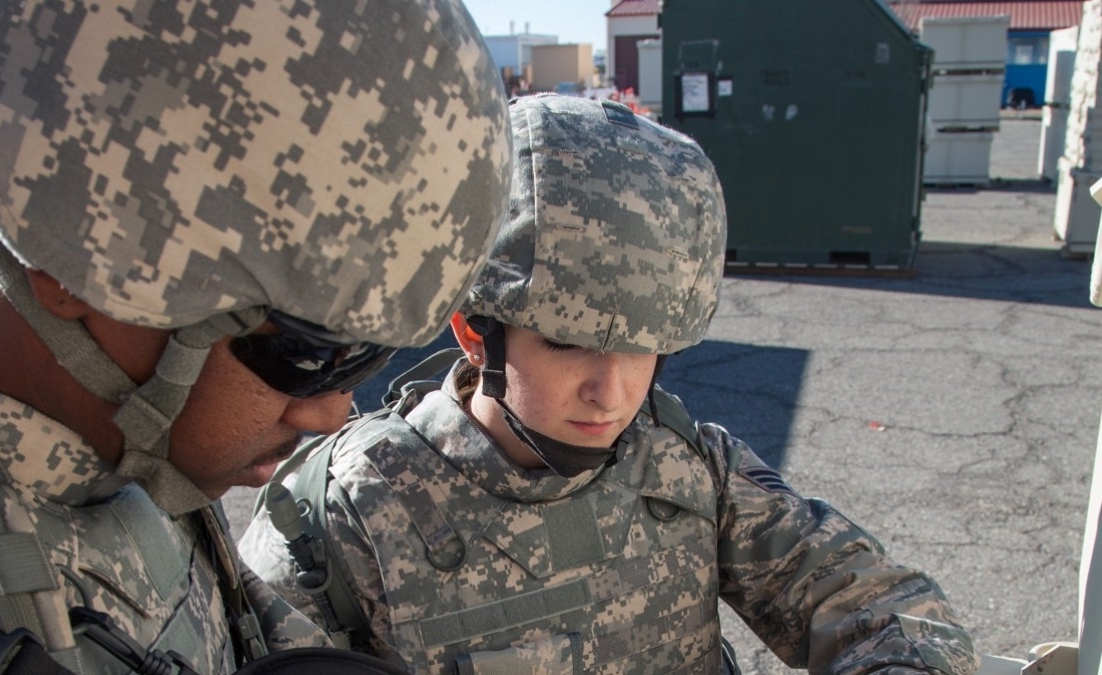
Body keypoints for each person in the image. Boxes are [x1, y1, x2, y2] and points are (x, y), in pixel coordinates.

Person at [239, 94, 979, 675]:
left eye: (644, 347)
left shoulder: (689, 466)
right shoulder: (336, 520)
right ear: (474, 331)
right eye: (568, 343)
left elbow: (881, 605)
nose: (613, 392)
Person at [0, 0, 510, 673]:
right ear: (79, 263)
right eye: (310, 358)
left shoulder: (133, 446)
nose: (329, 415)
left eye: (369, 361)